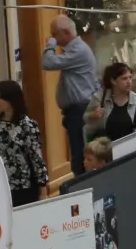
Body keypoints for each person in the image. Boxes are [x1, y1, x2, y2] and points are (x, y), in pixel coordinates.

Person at [0, 80, 50, 207]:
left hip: (22, 188)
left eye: (0, 97)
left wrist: (43, 188)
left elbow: (36, 158)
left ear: (11, 100)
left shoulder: (27, 125)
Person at [42, 15, 99, 173]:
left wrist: (50, 45)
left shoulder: (79, 51)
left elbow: (47, 62)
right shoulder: (76, 50)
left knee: (80, 156)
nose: (52, 37)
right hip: (76, 111)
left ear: (66, 33)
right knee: (78, 152)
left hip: (80, 111)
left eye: (55, 34)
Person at [87, 61, 136, 143]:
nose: (129, 82)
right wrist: (92, 115)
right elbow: (84, 121)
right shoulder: (100, 98)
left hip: (130, 150)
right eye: (124, 78)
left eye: (130, 77)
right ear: (113, 81)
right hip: (105, 151)